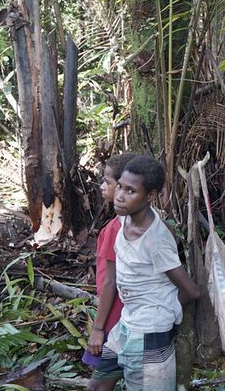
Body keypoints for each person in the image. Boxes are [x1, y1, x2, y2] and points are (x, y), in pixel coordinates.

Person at [90, 155, 200, 390]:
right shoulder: (123, 221)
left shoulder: (155, 239)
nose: (120, 195)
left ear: (149, 196)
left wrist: (162, 309)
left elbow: (191, 291)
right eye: (120, 186)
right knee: (98, 385)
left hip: (150, 332)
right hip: (126, 324)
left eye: (131, 191)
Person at [83, 152, 135, 382]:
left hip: (114, 317)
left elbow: (109, 282)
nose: (102, 186)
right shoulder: (137, 223)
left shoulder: (115, 228)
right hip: (127, 312)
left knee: (101, 382)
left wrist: (98, 328)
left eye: (107, 182)